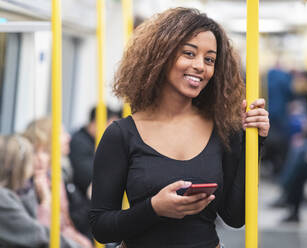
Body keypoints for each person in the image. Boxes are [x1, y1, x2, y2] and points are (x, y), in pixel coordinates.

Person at [90, 8, 269, 248]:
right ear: (162, 56)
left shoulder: (223, 129)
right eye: (189, 53)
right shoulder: (121, 134)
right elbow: (101, 227)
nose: (199, 66)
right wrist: (154, 208)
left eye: (209, 60)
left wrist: (253, 141)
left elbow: (236, 217)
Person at [0, 135, 82, 248]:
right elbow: (37, 236)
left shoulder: (40, 184)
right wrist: (45, 203)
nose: (39, 159)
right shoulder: (5, 197)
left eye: (45, 152)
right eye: (34, 153)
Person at [23, 118, 94, 248]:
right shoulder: (35, 183)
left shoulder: (57, 174)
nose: (68, 137)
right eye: (62, 133)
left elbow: (65, 222)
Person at [69, 106, 120, 198]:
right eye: (110, 127)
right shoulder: (79, 143)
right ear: (95, 123)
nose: (114, 132)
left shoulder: (94, 142)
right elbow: (92, 176)